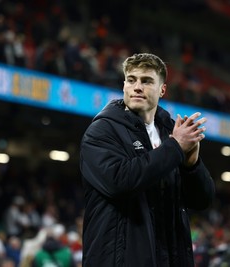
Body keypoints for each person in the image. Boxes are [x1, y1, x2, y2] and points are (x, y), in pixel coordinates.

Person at [79, 53, 215, 266]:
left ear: (162, 90)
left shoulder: (170, 131)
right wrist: (175, 148)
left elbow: (202, 200)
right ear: (124, 85)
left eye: (147, 81)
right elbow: (120, 181)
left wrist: (192, 165)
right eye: (131, 80)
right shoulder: (102, 131)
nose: (137, 87)